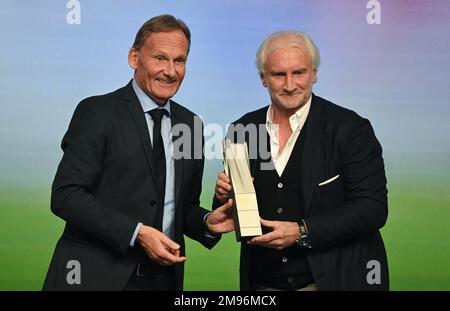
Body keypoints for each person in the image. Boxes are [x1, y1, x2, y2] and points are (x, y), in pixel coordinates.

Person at [43, 14, 234, 291]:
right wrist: (137, 233)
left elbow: (182, 206)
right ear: (134, 58)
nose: (170, 71)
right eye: (160, 58)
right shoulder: (98, 112)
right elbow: (66, 196)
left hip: (164, 280)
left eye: (179, 60)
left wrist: (207, 221)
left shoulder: (190, 125)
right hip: (95, 279)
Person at [214, 31, 389, 290]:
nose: (289, 84)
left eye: (299, 73)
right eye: (278, 75)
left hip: (332, 280)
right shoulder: (242, 129)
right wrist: (223, 196)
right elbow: (232, 210)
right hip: (262, 282)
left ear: (314, 74)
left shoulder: (350, 129)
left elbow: (373, 209)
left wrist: (301, 231)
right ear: (263, 78)